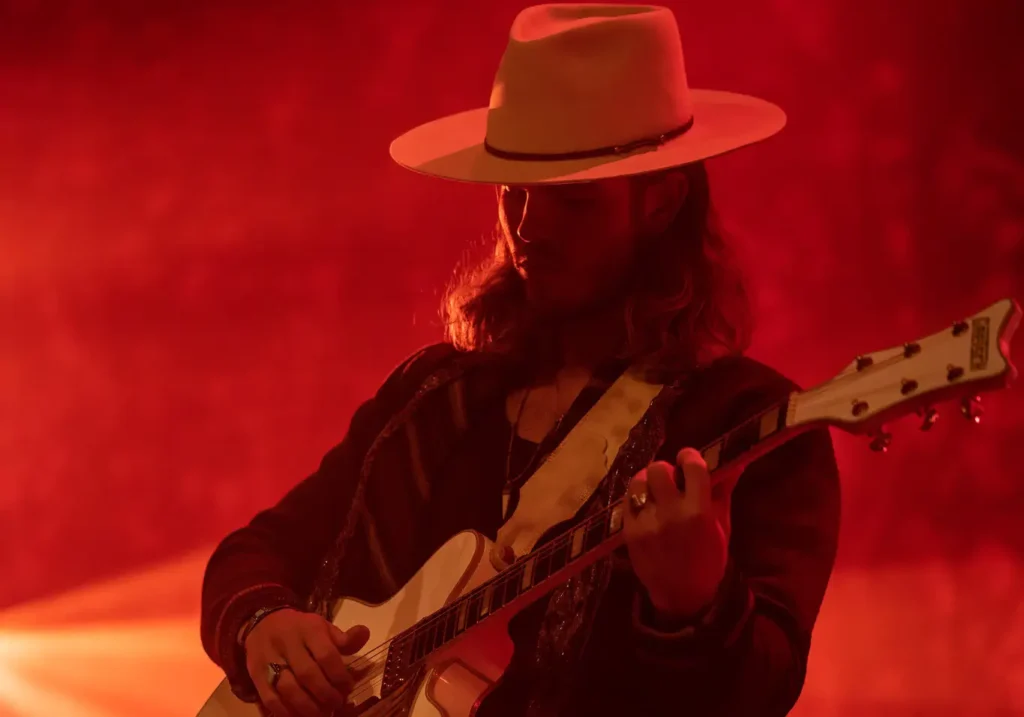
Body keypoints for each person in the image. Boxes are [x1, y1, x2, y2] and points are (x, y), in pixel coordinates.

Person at [200, 4, 841, 717]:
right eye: (512, 194)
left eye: (572, 202)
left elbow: (763, 690)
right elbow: (256, 551)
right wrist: (263, 623)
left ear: (660, 203)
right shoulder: (431, 394)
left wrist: (697, 603)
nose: (529, 228)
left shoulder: (754, 428)